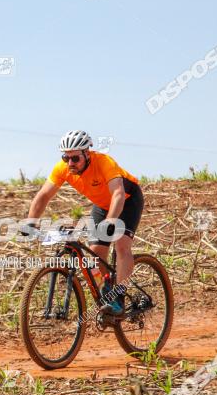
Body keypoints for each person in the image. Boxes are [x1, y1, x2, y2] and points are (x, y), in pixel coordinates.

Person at [26, 130, 144, 315]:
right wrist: (30, 223)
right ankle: (107, 289)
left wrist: (112, 221)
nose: (70, 163)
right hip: (102, 205)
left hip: (127, 200)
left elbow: (118, 194)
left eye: (75, 158)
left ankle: (119, 298)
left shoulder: (104, 162)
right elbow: (43, 195)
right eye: (66, 158)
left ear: (87, 154)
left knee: (121, 245)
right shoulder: (62, 168)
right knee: (96, 253)